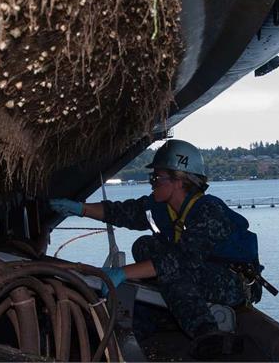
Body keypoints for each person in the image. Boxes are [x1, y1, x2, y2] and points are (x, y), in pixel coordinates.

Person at [50, 139, 248, 359]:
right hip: (195, 274)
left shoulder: (209, 211)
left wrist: (122, 273)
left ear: (179, 180)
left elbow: (180, 260)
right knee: (144, 246)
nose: (152, 183)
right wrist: (81, 209)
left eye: (157, 177)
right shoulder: (162, 208)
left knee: (171, 268)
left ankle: (207, 333)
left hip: (230, 282)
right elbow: (124, 212)